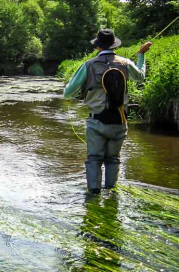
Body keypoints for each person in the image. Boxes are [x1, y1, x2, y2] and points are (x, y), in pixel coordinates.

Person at [63, 29, 152, 195]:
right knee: (113, 159)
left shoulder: (88, 65)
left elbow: (67, 93)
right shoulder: (125, 63)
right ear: (114, 45)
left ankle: (93, 195)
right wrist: (141, 55)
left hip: (97, 122)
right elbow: (140, 76)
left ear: (97, 47)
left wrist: (70, 94)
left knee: (94, 159)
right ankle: (111, 192)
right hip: (120, 121)